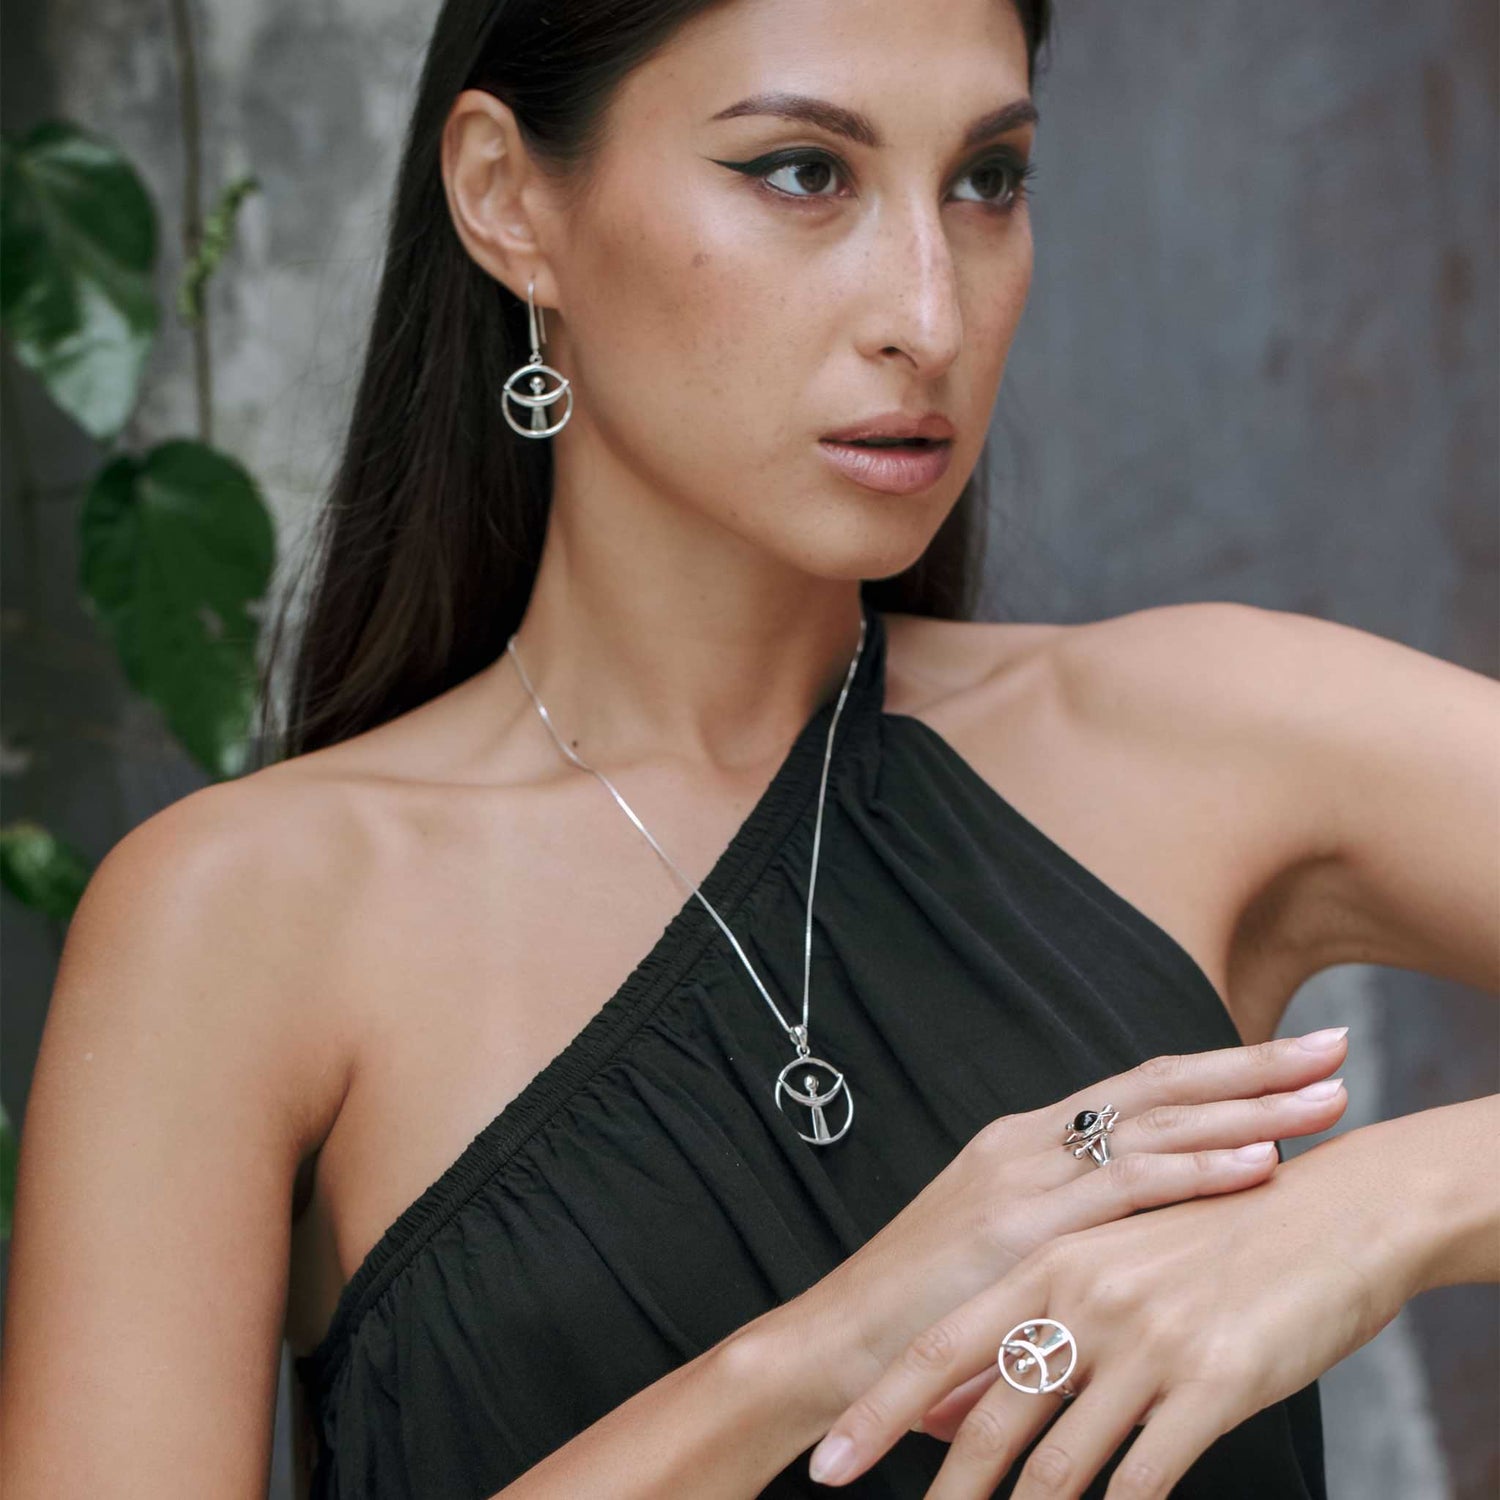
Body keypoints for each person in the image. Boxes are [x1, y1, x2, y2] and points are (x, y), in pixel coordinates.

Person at [2, 0, 1495, 1496]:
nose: (931, 310)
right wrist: (815, 1356)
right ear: (508, 200)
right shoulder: (244, 920)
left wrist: (1379, 1211)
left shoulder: (1204, 743)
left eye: (986, 181)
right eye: (801, 171)